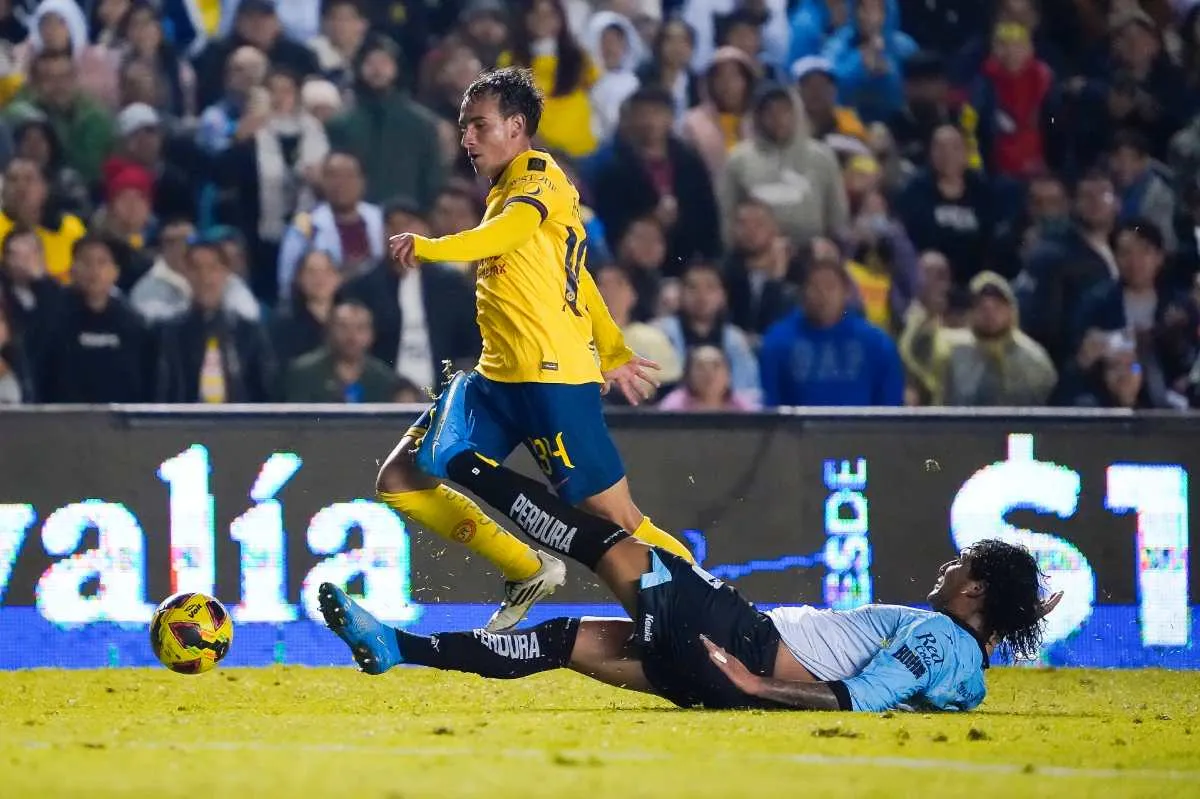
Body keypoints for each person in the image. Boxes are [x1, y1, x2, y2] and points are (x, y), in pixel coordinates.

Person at [320, 451, 1061, 712]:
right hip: (712, 676)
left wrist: (755, 681)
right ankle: (395, 646)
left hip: (739, 646)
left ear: (976, 594)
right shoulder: (969, 668)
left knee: (599, 539)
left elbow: (858, 698)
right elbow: (941, 686)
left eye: (961, 568)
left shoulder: (938, 636)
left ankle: (464, 465)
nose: (946, 567)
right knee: (557, 642)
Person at [384, 66, 695, 633]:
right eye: (463, 127)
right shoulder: (505, 188)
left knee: (616, 518)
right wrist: (615, 346)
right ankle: (527, 568)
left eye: (478, 126)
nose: (467, 139)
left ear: (517, 126)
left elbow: (501, 238)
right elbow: (575, 277)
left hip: (550, 379)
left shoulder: (538, 179)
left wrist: (429, 247)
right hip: (496, 379)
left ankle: (705, 599)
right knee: (402, 479)